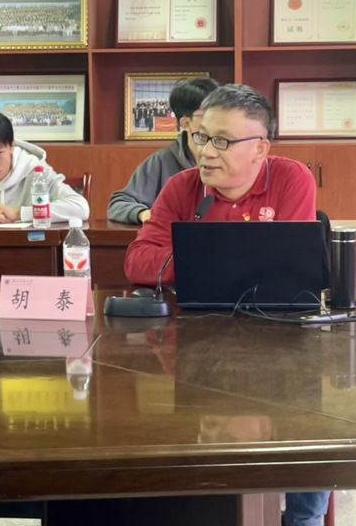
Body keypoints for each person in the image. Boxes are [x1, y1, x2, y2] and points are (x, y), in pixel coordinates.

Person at [124, 84, 327, 526]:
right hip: (197, 344)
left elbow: (287, 270)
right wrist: (213, 256)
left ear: (260, 149)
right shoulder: (181, 188)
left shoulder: (291, 179)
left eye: (222, 141)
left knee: (310, 419)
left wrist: (199, 255)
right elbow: (137, 262)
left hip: (278, 340)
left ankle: (304, 519)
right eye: (201, 137)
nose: (206, 152)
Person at [108, 77, 219, 224]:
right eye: (207, 114)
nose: (217, 119)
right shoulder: (162, 161)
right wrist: (144, 214)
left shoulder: (230, 154)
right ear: (185, 123)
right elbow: (119, 204)